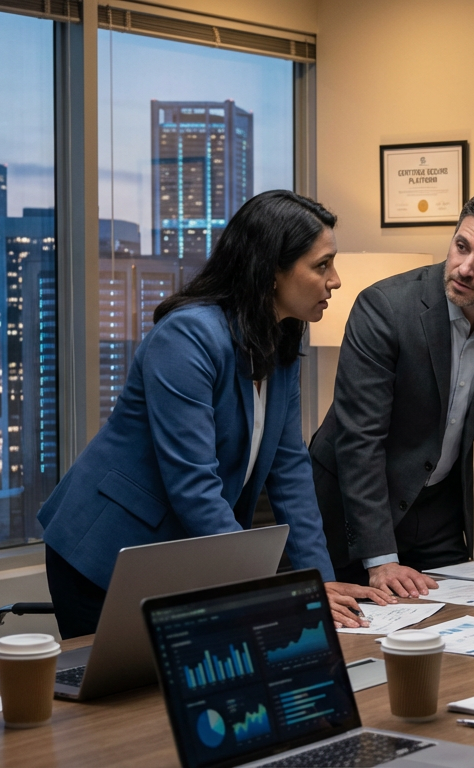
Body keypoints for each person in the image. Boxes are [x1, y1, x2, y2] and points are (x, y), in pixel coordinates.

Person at [38, 190, 391, 638]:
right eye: (322, 265)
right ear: (270, 271)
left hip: (181, 555)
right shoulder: (187, 337)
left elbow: (290, 474)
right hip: (106, 550)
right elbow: (193, 485)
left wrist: (316, 581)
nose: (335, 280)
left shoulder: (280, 342)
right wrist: (276, 590)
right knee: (128, 704)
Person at [309, 190, 474, 598]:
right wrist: (380, 556)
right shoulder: (385, 308)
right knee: (358, 634)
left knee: (458, 624)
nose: (465, 268)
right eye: (461, 247)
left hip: (438, 508)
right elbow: (360, 440)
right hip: (352, 509)